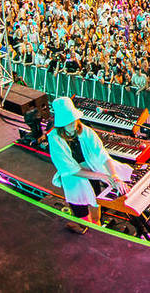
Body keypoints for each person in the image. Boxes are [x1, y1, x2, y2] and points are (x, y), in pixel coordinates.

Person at [46, 97, 128, 227]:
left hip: (91, 173)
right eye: (69, 122)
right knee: (81, 211)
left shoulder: (85, 131)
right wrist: (102, 176)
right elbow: (70, 169)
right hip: (74, 180)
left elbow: (102, 155)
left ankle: (96, 226)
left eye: (74, 120)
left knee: (95, 202)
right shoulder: (54, 138)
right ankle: (85, 228)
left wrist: (114, 175)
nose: (74, 124)